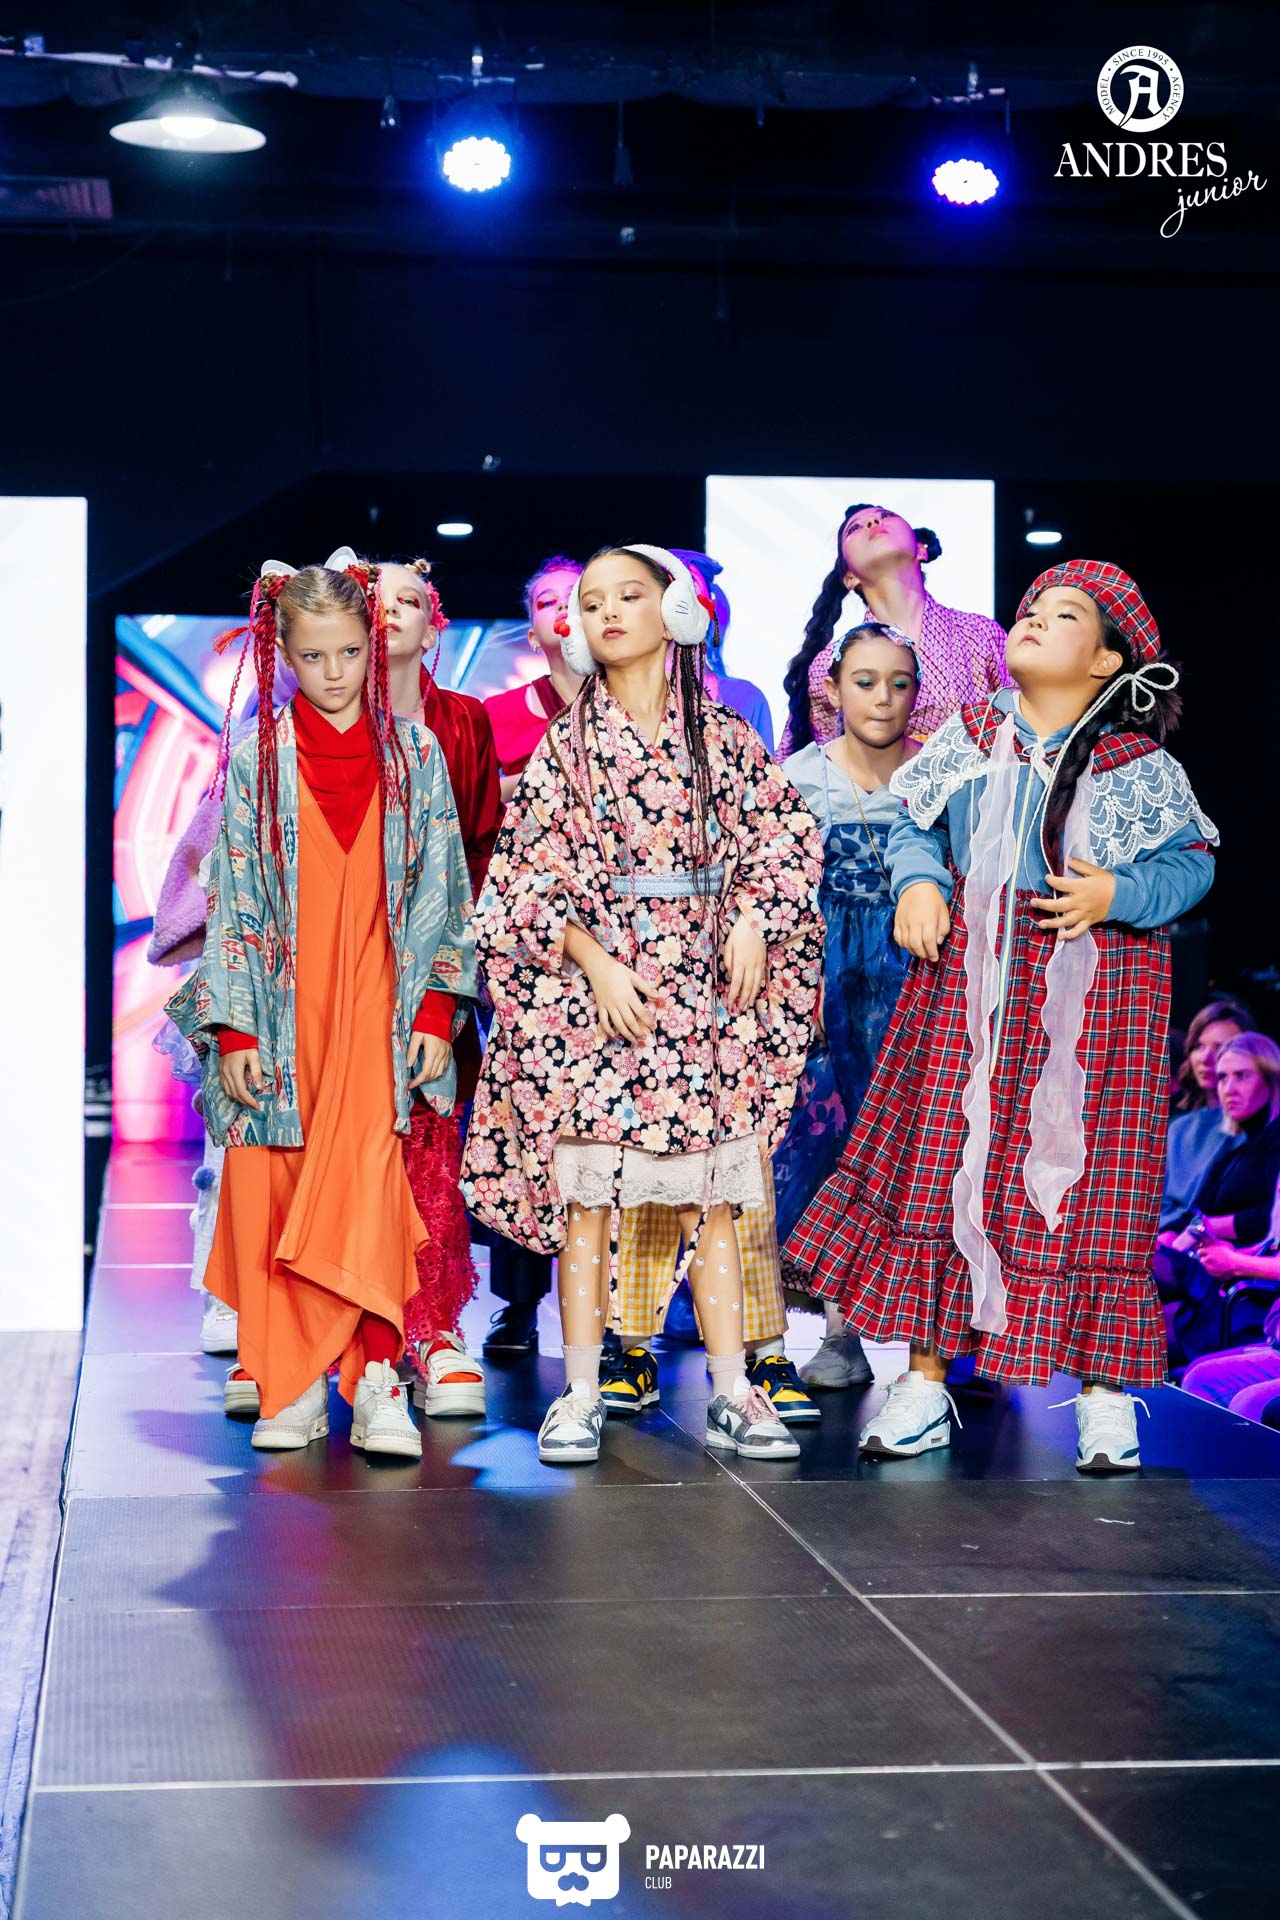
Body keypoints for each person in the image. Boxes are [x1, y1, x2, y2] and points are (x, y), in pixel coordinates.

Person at [786, 559, 1218, 1471]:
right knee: (947, 1165)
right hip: (972, 985)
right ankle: (924, 1383)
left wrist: (1118, 892)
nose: (1034, 619)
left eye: (1064, 616)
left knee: (1094, 1180)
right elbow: (915, 822)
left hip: (1096, 1001)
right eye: (1030, 608)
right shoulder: (971, 735)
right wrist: (919, 882)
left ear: (1106, 661)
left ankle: (1105, 1396)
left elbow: (1192, 863)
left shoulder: (1138, 765)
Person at [462, 543, 824, 1465]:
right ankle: (581, 1390)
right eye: (593, 602)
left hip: (704, 997)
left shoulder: (727, 738)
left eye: (630, 595)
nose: (610, 612)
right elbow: (524, 881)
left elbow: (783, 839)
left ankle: (733, 1389)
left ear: (678, 611)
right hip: (604, 1002)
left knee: (713, 1203)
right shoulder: (567, 748)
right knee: (589, 1205)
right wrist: (594, 962)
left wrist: (754, 919)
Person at [167, 554, 477, 1457]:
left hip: (380, 1001)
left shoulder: (415, 754)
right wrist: (232, 1025)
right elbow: (233, 899)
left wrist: (433, 1013)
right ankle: (290, 1380)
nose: (334, 673)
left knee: (371, 1181)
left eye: (349, 652)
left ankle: (377, 1378)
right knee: (276, 1179)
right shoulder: (256, 760)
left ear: (373, 648)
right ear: (283, 654)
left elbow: (445, 893)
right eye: (313, 655)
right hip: (279, 1005)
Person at [774, 623, 919, 1391]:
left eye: (899, 682)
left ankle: (943, 1339)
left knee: (922, 1150)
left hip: (919, 975)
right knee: (835, 1146)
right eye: (865, 681)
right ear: (832, 689)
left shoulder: (939, 775)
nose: (882, 698)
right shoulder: (798, 778)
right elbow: (774, 894)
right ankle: (841, 1331)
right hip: (829, 983)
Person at [371, 555, 501, 1416]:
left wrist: (462, 963)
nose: (390, 614)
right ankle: (318, 1327)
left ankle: (432, 1324)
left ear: (434, 622)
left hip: (437, 956)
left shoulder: (463, 720)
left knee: (428, 1136)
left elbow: (483, 841)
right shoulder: (306, 721)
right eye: (373, 601)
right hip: (339, 955)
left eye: (409, 600)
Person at [480, 556, 586, 1358]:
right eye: (546, 600)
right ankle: (517, 1304)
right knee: (525, 1120)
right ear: (531, 625)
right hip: (525, 943)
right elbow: (474, 820)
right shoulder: (498, 716)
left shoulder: (645, 706)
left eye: (577, 597)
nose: (564, 611)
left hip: (623, 942)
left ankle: (619, 1312)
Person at [780, 503, 1008, 755]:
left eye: (885, 516)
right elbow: (813, 764)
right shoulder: (830, 663)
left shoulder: (979, 634)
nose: (872, 523)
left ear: (921, 549)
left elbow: (1025, 726)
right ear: (850, 577)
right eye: (855, 528)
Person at [1156, 1032, 1280, 1365]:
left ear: (1270, 1080)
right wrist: (1182, 1234)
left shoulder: (1275, 1141)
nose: (1229, 1088)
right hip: (1210, 1266)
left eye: (1242, 1076)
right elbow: (1197, 1210)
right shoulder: (1236, 1146)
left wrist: (1211, 1230)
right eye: (1223, 1078)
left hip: (1241, 1283)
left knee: (1129, 1283)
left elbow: (1265, 1219)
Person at [485, 556, 585, 805]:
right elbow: (476, 795)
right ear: (533, 638)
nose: (563, 605)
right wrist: (544, 774)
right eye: (547, 602)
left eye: (575, 597)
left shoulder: (630, 696)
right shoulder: (499, 711)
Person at [1159, 999, 1255, 1231]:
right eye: (1198, 1047)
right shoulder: (1179, 1128)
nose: (1205, 1057)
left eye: (1221, 1047)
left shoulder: (1259, 1129)